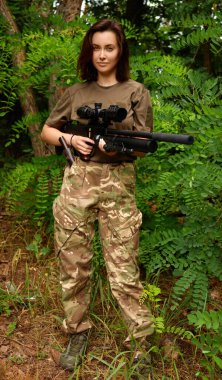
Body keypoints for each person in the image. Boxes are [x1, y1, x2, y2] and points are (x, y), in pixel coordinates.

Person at [40, 19, 154, 373]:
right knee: (73, 265)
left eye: (110, 47)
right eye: (96, 47)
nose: (102, 54)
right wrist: (71, 140)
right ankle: (77, 332)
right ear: (89, 51)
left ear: (120, 51)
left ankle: (141, 346)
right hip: (77, 182)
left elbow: (144, 145)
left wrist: (115, 143)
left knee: (124, 269)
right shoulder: (77, 92)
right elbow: (47, 130)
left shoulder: (136, 91)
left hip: (118, 184)